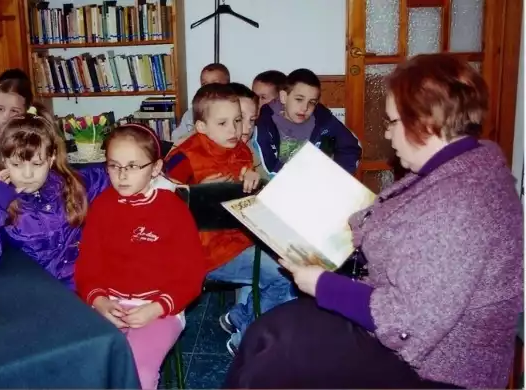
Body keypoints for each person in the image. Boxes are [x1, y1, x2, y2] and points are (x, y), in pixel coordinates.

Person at [224, 53, 523, 389]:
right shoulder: (456, 169)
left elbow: (409, 322)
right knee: (271, 329)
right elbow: (391, 219)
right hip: (405, 333)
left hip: (436, 366)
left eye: (392, 122)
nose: (389, 135)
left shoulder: (463, 204)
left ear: (425, 122)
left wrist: (322, 284)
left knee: (278, 350)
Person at [165, 83, 295, 356]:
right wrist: (196, 193)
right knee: (283, 276)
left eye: (237, 121)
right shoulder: (183, 157)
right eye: (223, 123)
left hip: (240, 239)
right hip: (203, 253)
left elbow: (248, 194)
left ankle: (240, 318)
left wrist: (254, 179)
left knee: (294, 261)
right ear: (201, 127)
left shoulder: (241, 150)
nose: (234, 130)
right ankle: (246, 342)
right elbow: (159, 202)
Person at [75, 124, 206, 389]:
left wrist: (155, 308)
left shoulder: (173, 210)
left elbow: (191, 276)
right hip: (110, 305)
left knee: (139, 372)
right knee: (86, 365)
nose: (122, 175)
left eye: (133, 166)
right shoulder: (101, 207)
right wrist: (100, 301)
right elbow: (87, 266)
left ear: (155, 168)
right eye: (114, 165)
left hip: (159, 309)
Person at [0, 108, 110, 289]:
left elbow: (116, 172)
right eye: (16, 164)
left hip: (86, 289)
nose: (27, 174)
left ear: (51, 158)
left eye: (37, 164)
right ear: (4, 161)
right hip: (38, 296)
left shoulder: (73, 185)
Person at [254, 68, 362, 174]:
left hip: (317, 185)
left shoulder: (323, 120)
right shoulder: (265, 122)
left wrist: (336, 176)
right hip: (278, 185)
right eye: (299, 99)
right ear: (284, 97)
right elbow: (269, 169)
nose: (305, 108)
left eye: (312, 102)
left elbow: (351, 147)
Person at [171, 63, 231, 142]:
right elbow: (176, 139)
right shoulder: (191, 113)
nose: (208, 88)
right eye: (204, 84)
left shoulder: (231, 112)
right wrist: (193, 132)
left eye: (215, 84)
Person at [229, 82, 270, 181]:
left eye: (252, 120)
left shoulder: (251, 149)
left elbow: (267, 185)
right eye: (240, 118)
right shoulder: (193, 145)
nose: (248, 127)